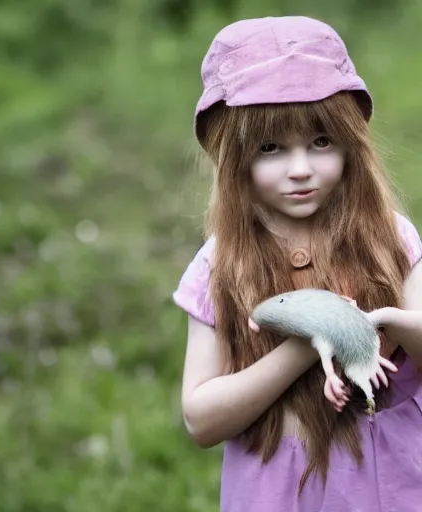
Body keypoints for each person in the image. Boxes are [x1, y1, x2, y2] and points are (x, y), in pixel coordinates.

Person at [172, 15, 422, 511]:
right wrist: (307, 345)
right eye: (270, 148)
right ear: (232, 156)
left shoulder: (389, 237)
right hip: (282, 489)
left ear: (351, 141)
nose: (301, 168)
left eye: (321, 142)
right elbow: (201, 421)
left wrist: (388, 322)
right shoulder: (219, 265)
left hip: (393, 475)